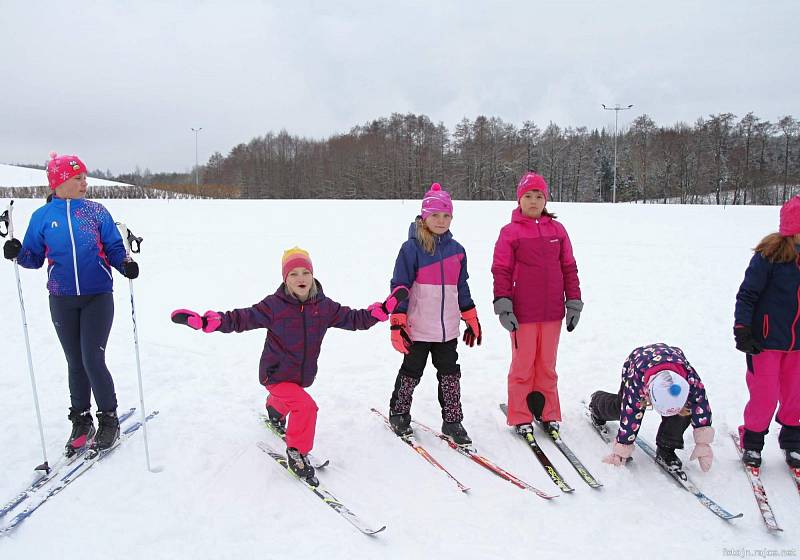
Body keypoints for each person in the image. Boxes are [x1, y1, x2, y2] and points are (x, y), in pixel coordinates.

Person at [171, 247, 406, 485]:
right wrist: (206, 322)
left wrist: (384, 310)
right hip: (274, 374)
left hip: (301, 375)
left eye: (305, 272)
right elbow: (241, 318)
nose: (301, 278)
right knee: (306, 407)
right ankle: (296, 452)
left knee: (293, 397)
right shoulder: (274, 306)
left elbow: (356, 319)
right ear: (285, 278)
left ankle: (275, 410)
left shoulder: (323, 307)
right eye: (293, 273)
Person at [2, 152, 139, 455]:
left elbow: (115, 247)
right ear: (59, 182)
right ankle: (81, 420)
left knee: (92, 358)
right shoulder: (42, 217)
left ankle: (108, 418)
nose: (84, 183)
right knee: (75, 362)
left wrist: (125, 264)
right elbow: (33, 258)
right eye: (78, 178)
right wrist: (16, 251)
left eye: (84, 177)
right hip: (61, 298)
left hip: (97, 296)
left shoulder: (95, 212)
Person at [386, 183, 481, 446]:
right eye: (435, 215)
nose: (441, 221)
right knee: (411, 371)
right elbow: (400, 287)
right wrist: (397, 321)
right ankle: (399, 412)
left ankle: (453, 420)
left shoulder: (457, 251)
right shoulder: (411, 249)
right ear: (424, 217)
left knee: (450, 373)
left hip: (447, 329)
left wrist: (470, 316)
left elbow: (461, 286)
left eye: (446, 215)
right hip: (417, 327)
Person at [490, 171, 582, 435]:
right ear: (519, 200)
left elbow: (569, 267)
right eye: (528, 196)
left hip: (552, 312)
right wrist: (503, 304)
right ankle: (520, 414)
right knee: (523, 364)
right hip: (523, 313)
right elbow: (501, 270)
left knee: (547, 365)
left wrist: (573, 302)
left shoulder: (558, 230)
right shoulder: (510, 232)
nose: (533, 201)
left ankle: (548, 412)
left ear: (546, 200)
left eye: (538, 196)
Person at [733, 195, 800, 469]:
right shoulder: (769, 257)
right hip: (765, 342)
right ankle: (752, 442)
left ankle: (794, 442)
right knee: (765, 394)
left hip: (797, 345)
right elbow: (747, 295)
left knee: (796, 394)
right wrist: (742, 328)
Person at [588, 343, 714, 472]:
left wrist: (703, 444)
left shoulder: (691, 381)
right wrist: (621, 450)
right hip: (638, 363)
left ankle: (666, 447)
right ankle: (597, 405)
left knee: (684, 413)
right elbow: (630, 417)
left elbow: (701, 406)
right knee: (622, 409)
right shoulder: (637, 383)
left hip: (671, 361)